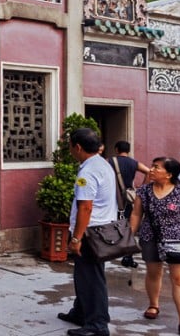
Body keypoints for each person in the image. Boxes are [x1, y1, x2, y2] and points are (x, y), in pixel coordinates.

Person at [128, 157, 180, 335]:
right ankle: (154, 305)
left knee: (179, 280)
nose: (151, 170)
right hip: (150, 237)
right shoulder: (144, 191)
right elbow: (136, 214)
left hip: (177, 239)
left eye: (156, 167)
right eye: (152, 166)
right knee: (154, 273)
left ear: (169, 174)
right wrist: (129, 235)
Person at [57, 128, 116, 336]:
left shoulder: (87, 172)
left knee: (91, 277)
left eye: (71, 146)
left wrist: (76, 238)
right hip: (103, 227)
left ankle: (97, 324)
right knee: (84, 274)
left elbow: (85, 207)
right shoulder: (103, 163)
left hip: (91, 232)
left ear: (78, 147)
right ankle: (80, 312)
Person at [112, 140, 150, 268]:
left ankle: (111, 250)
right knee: (129, 225)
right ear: (128, 150)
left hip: (113, 197)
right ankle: (128, 255)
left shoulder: (110, 161)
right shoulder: (134, 163)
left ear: (116, 149)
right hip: (128, 198)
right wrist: (142, 188)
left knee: (112, 223)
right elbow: (149, 172)